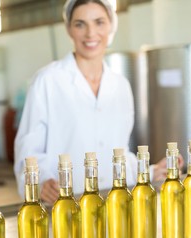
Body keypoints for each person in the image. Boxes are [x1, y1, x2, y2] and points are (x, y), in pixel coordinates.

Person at [14, 0, 176, 205]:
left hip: (113, 205)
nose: (90, 33)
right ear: (69, 29)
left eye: (99, 22)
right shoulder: (47, 81)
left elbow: (118, 152)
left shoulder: (120, 86)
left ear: (111, 25)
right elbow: (28, 152)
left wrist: (149, 171)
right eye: (80, 24)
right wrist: (41, 183)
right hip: (65, 206)